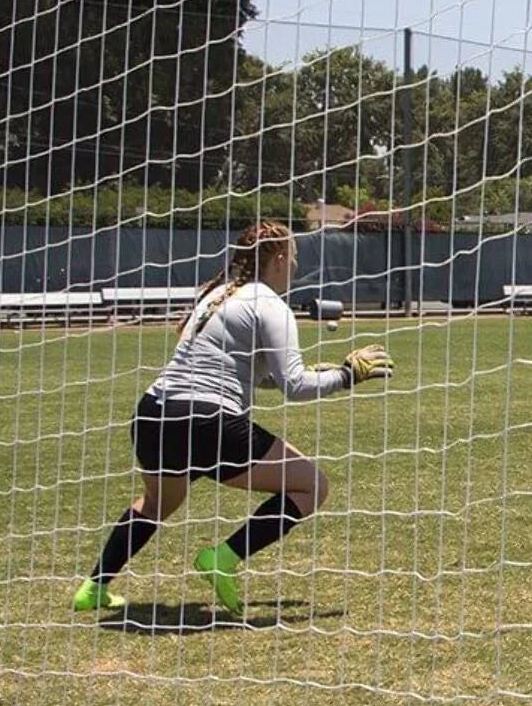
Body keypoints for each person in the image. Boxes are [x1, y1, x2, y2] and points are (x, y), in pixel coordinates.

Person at [73, 220, 393, 618]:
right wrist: (347, 376)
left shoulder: (217, 295)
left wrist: (322, 372)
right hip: (207, 421)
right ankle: (223, 558)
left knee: (157, 504)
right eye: (292, 255)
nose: (294, 264)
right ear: (278, 256)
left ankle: (94, 586)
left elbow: (258, 376)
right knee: (312, 486)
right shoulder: (270, 304)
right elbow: (294, 386)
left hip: (154, 414)